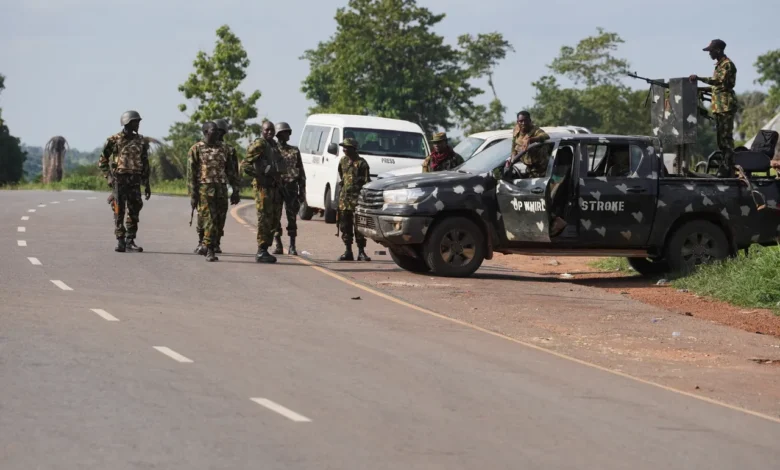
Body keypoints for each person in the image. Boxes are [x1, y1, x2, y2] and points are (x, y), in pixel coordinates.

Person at [98, 110, 151, 253]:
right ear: (127, 123)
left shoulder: (141, 140)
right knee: (119, 209)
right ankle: (120, 239)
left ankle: (130, 240)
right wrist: (109, 177)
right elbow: (102, 160)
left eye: (138, 122)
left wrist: (146, 184)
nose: (138, 124)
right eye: (135, 122)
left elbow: (145, 162)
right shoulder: (114, 140)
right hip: (119, 180)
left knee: (135, 209)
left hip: (135, 180)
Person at [187, 121, 240, 262]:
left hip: (221, 189)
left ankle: (212, 243)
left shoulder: (225, 149)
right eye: (213, 131)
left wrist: (236, 190)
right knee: (209, 219)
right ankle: (209, 249)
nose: (217, 133)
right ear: (205, 132)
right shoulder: (196, 149)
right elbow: (191, 174)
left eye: (218, 131)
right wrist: (193, 194)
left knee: (219, 220)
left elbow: (231, 171)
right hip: (205, 189)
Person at [690, 39, 737, 178]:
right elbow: (717, 87)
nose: (709, 53)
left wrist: (699, 78)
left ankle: (728, 169)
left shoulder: (727, 65)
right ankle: (725, 167)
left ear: (718, 50)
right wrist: (700, 89)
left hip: (725, 107)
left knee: (726, 140)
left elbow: (719, 81)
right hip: (719, 107)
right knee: (721, 140)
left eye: (711, 51)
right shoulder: (720, 65)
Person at [241, 121, 281, 263]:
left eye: (272, 130)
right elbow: (245, 165)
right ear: (262, 131)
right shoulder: (259, 144)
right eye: (266, 130)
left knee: (274, 219)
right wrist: (260, 176)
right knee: (264, 218)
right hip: (263, 188)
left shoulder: (274, 145)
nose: (269, 132)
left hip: (274, 187)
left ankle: (265, 248)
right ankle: (261, 250)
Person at [271, 122, 306, 256]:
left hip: (291, 186)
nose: (288, 135)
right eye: (285, 132)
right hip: (277, 187)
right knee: (275, 217)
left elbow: (301, 172)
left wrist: (302, 191)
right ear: (279, 134)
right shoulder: (272, 150)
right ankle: (278, 244)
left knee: (292, 218)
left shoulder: (294, 150)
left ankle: (292, 245)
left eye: (288, 132)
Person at [337, 138, 371, 261]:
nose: (344, 149)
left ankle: (361, 252)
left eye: (347, 147)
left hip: (357, 201)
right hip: (344, 200)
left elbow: (367, 183)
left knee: (359, 227)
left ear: (353, 148)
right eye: (343, 147)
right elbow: (342, 176)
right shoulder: (343, 161)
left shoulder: (362, 163)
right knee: (345, 226)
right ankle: (348, 251)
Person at [511, 111, 550, 178]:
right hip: (528, 167)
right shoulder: (516, 130)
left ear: (530, 120)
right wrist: (512, 158)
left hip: (541, 168)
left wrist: (531, 140)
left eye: (526, 120)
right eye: (521, 121)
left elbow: (545, 136)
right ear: (517, 122)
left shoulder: (535, 130)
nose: (523, 123)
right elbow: (514, 144)